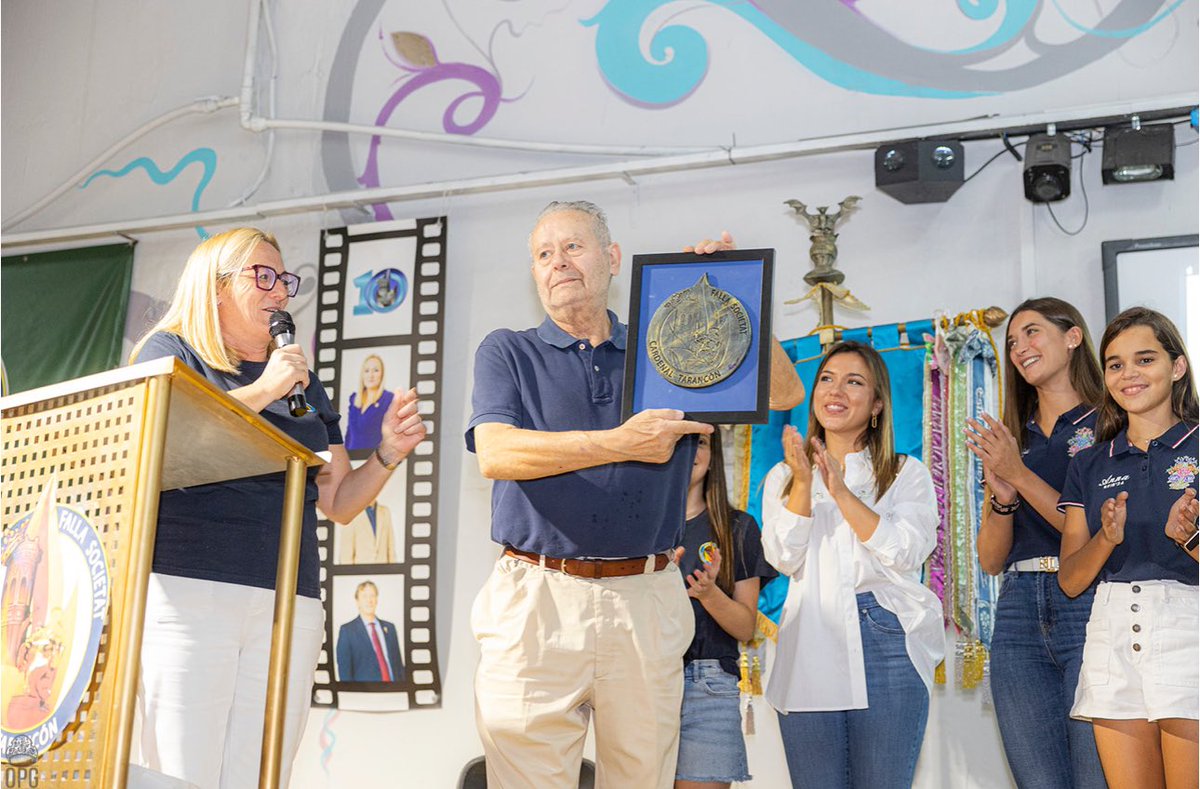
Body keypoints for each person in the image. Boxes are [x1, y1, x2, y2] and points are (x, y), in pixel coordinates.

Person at [466, 202, 803, 789]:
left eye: (573, 247)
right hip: (534, 600)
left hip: (645, 597)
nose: (558, 263)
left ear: (613, 258)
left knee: (642, 779)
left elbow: (782, 392)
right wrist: (619, 443)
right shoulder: (507, 351)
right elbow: (497, 453)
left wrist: (735, 299)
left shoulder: (665, 350)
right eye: (543, 254)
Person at [128, 228, 426, 788]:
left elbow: (337, 501)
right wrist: (265, 388)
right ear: (214, 287)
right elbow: (159, 440)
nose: (279, 292)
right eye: (261, 277)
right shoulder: (172, 352)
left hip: (291, 601)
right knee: (180, 774)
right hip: (190, 590)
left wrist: (387, 453)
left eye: (283, 280)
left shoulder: (302, 384)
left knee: (260, 775)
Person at [761, 341, 943, 789]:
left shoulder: (905, 472)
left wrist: (840, 492)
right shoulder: (783, 477)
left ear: (877, 404)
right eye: (826, 379)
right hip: (810, 637)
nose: (835, 390)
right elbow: (783, 557)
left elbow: (905, 552)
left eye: (854, 381)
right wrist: (805, 483)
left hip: (885, 634)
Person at [966, 297, 1108, 788]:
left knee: (1097, 775)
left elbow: (1092, 530)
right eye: (1011, 342)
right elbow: (989, 558)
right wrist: (1004, 496)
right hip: (1018, 610)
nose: (1019, 347)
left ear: (1072, 337)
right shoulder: (1013, 437)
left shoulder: (1109, 425)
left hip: (1089, 601)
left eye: (1031, 332)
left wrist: (1019, 476)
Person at [1058, 307, 1198, 789]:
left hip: (1189, 629)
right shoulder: (1091, 461)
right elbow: (1071, 580)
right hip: (1113, 629)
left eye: (1144, 359)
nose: (1128, 375)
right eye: (1115, 364)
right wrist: (1105, 539)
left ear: (1177, 366)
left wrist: (1191, 537)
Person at [674, 428, 776, 789]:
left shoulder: (738, 528)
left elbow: (745, 628)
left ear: (713, 453)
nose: (688, 449)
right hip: (642, 685)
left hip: (707, 687)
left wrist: (709, 593)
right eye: (677, 439)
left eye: (699, 441)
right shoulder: (636, 526)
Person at [335, 580, 405, 682]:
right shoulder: (347, 631)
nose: (369, 600)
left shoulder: (390, 628)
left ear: (377, 599)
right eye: (364, 596)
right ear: (357, 601)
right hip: (365, 694)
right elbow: (345, 673)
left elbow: (398, 666)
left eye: (372, 595)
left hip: (394, 691)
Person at [344, 354, 395, 450]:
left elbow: (390, 436)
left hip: (372, 458)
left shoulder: (388, 398)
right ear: (362, 375)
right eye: (367, 371)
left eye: (375, 370)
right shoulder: (354, 398)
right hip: (351, 457)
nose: (370, 375)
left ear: (382, 374)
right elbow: (349, 433)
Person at [337, 499, 395, 564]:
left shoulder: (385, 512)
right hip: (360, 571)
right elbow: (346, 553)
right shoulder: (352, 513)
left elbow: (391, 545)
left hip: (382, 570)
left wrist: (393, 570)